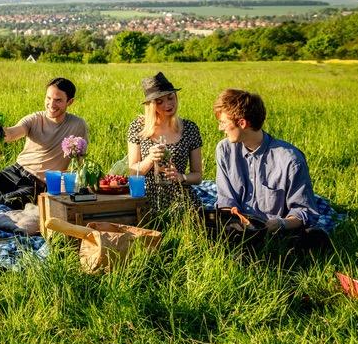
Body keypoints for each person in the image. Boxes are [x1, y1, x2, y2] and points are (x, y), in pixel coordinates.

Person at [208, 88, 330, 253]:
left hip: (275, 229)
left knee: (302, 243)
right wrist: (230, 215)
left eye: (223, 122)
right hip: (239, 227)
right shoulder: (224, 150)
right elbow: (226, 199)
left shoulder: (290, 160)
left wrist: (280, 224)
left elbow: (304, 210)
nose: (220, 128)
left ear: (242, 123)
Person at [0, 77, 89, 209]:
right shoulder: (35, 119)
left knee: (4, 204)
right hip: (14, 171)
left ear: (70, 102)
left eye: (58, 100)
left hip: (37, 184)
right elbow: (13, 133)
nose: (51, 104)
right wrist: (1, 133)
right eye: (48, 98)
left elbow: (81, 161)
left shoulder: (78, 125)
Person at [126, 72, 203, 218]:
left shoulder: (189, 128)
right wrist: (150, 158)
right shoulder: (138, 127)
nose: (168, 104)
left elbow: (198, 176)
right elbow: (132, 171)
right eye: (159, 101)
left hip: (181, 197)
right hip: (148, 197)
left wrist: (181, 177)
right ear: (151, 105)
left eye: (170, 97)